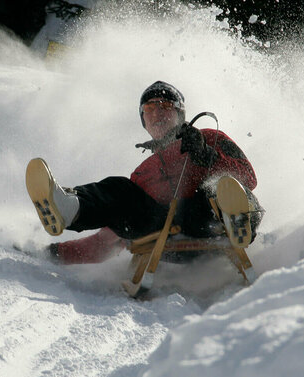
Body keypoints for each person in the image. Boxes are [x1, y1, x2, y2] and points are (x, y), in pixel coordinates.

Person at [26, 81, 260, 264]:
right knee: (118, 189)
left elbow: (248, 176)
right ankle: (71, 207)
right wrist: (52, 253)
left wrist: (208, 156)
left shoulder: (208, 137)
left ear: (180, 114)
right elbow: (104, 243)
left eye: (166, 106)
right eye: (150, 108)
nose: (157, 113)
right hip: (164, 234)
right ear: (144, 121)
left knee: (219, 187)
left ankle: (237, 219)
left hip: (209, 221)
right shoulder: (143, 173)